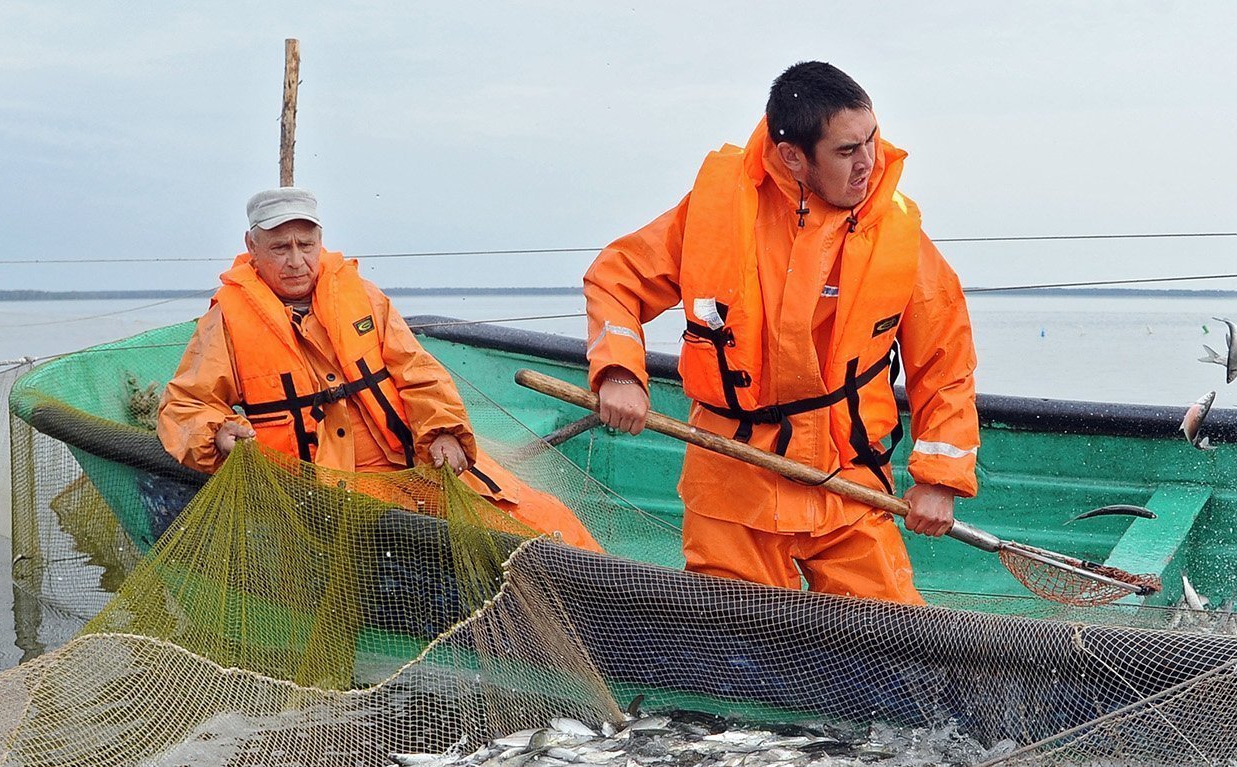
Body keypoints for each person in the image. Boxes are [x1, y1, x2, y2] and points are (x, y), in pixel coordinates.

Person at [583, 61, 980, 605]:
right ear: (793, 156)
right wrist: (619, 372)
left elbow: (946, 364)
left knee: (896, 643)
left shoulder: (900, 236)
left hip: (849, 483)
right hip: (733, 484)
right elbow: (618, 278)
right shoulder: (716, 211)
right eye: (846, 151)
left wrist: (939, 479)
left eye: (872, 139)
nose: (869, 163)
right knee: (739, 652)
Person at [159, 188, 599, 549]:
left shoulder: (365, 298)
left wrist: (444, 431)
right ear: (252, 248)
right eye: (280, 248)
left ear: (320, 242)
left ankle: (635, 608)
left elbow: (419, 373)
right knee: (467, 544)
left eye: (305, 245)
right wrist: (215, 433)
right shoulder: (226, 321)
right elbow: (184, 407)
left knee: (546, 518)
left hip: (418, 465)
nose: (296, 261)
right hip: (321, 492)